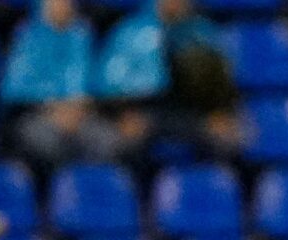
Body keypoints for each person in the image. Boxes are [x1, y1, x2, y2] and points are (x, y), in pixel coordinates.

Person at [95, 0, 238, 153]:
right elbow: (109, 84)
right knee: (121, 140)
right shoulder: (130, 30)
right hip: (142, 109)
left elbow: (219, 83)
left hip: (189, 112)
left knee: (228, 136)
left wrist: (220, 112)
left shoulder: (202, 32)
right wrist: (122, 113)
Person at [0, 0, 123, 165]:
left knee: (109, 140)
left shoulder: (81, 35)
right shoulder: (27, 36)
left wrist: (79, 107)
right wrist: (54, 106)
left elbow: (91, 81)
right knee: (48, 143)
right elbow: (13, 89)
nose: (63, 6)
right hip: (37, 113)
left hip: (80, 114)